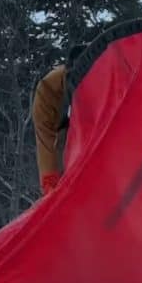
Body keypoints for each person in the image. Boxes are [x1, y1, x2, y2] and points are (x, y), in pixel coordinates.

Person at [32, 44, 86, 196]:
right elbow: (46, 141)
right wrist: (51, 186)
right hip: (67, 133)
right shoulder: (48, 90)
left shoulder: (109, 73)